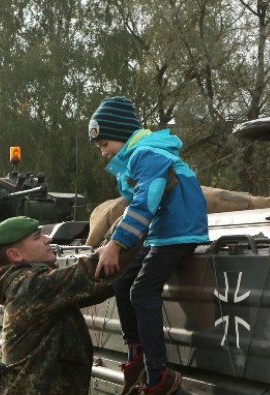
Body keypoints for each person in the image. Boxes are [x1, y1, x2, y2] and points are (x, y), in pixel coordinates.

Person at [89, 96, 209, 395]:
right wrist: (109, 242)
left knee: (142, 291)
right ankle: (136, 354)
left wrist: (117, 245)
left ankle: (157, 375)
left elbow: (145, 201)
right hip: (162, 232)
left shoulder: (146, 155)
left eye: (104, 145)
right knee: (122, 283)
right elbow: (132, 209)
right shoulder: (136, 158)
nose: (104, 153)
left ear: (121, 135)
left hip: (178, 232)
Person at [0, 215, 130, 394]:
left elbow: (96, 286)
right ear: (15, 254)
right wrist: (133, 222)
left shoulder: (27, 285)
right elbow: (92, 273)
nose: (49, 239)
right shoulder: (31, 287)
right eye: (38, 237)